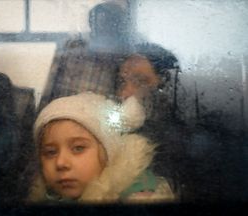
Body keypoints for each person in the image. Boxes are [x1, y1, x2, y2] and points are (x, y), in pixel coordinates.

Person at [27, 92, 175, 203]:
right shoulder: (44, 198)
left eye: (78, 148)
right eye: (50, 152)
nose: (60, 163)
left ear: (108, 151)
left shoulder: (142, 197)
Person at [116, 43, 188, 199]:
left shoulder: (183, 141)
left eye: (140, 81)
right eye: (122, 82)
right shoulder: (113, 133)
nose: (125, 93)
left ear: (166, 86)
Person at [38, 2, 129, 111]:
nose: (103, 27)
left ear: (117, 28)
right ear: (91, 24)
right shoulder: (73, 48)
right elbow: (49, 88)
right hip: (59, 114)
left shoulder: (123, 60)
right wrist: (39, 118)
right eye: (98, 23)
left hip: (95, 121)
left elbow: (121, 103)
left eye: (109, 23)